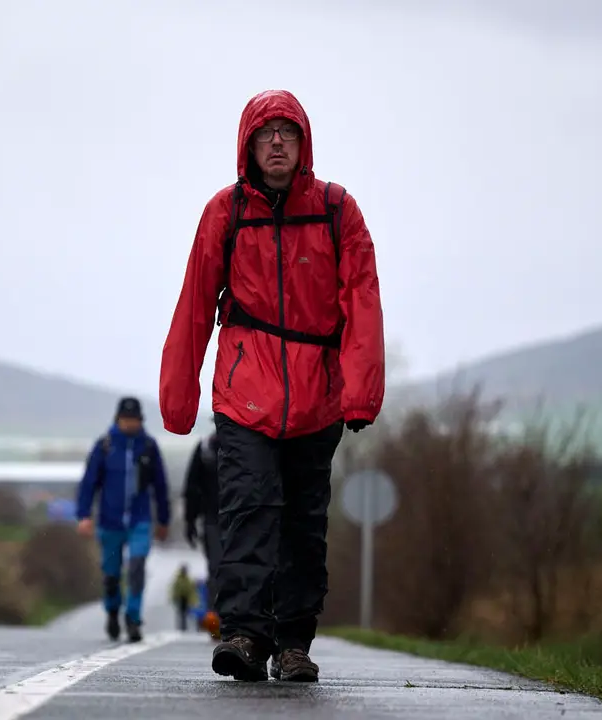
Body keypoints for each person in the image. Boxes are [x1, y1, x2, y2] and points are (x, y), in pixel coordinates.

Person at [158, 89, 385, 683]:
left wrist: (360, 391)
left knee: (304, 523)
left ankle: (292, 644)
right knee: (248, 509)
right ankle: (243, 634)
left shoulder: (339, 211)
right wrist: (178, 400)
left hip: (318, 395)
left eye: (287, 132)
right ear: (248, 147)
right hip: (245, 391)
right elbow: (193, 305)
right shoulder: (225, 213)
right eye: (266, 134)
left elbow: (362, 299)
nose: (277, 142)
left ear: (303, 143)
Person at [75, 396, 171, 643]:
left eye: (134, 419)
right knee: (112, 574)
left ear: (141, 421)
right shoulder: (105, 446)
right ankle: (113, 610)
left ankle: (133, 617)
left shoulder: (149, 447)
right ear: (117, 420)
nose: (130, 424)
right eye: (126, 419)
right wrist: (84, 515)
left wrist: (164, 519)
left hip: (140, 520)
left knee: (137, 568)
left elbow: (160, 486)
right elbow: (89, 483)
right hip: (110, 521)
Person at [181, 427, 221, 623]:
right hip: (213, 518)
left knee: (234, 568)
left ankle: (235, 619)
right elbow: (192, 486)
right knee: (216, 567)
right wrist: (190, 520)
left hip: (243, 519)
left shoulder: (250, 446)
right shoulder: (206, 448)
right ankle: (215, 616)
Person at [170, 564, 199, 632]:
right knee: (181, 613)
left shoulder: (187, 579)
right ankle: (182, 626)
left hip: (185, 598)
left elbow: (191, 590)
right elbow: (175, 589)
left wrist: (192, 599)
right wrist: (174, 597)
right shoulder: (179, 579)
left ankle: (184, 626)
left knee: (185, 613)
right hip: (180, 598)